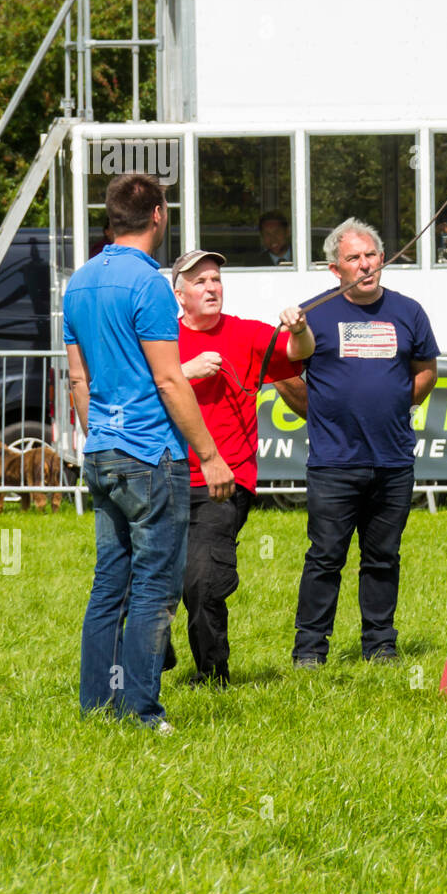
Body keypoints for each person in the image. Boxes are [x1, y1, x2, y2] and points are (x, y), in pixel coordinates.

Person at [63, 173, 234, 734]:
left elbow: (78, 381)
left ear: (111, 218)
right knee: (156, 590)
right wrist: (208, 454)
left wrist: (100, 439)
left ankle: (97, 706)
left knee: (109, 582)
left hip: (102, 450)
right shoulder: (151, 286)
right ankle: (140, 711)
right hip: (150, 454)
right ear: (158, 215)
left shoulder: (78, 282)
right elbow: (169, 379)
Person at [290, 218, 439, 666]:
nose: (364, 264)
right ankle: (310, 651)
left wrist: (394, 405)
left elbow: (426, 370)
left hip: (393, 460)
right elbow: (285, 373)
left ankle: (380, 645)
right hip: (334, 463)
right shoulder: (310, 314)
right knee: (325, 557)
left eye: (371, 254)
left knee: (383, 558)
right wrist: (323, 413)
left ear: (383, 258)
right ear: (336, 269)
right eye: (353, 258)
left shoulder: (409, 311)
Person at [173, 249, 314, 686]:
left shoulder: (247, 334)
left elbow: (298, 352)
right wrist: (186, 372)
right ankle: (151, 658)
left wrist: (301, 328)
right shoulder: (162, 341)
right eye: (199, 281)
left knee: (202, 579)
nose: (211, 287)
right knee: (152, 576)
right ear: (180, 294)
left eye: (215, 279)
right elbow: (143, 392)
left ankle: (212, 674)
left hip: (226, 480)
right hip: (167, 475)